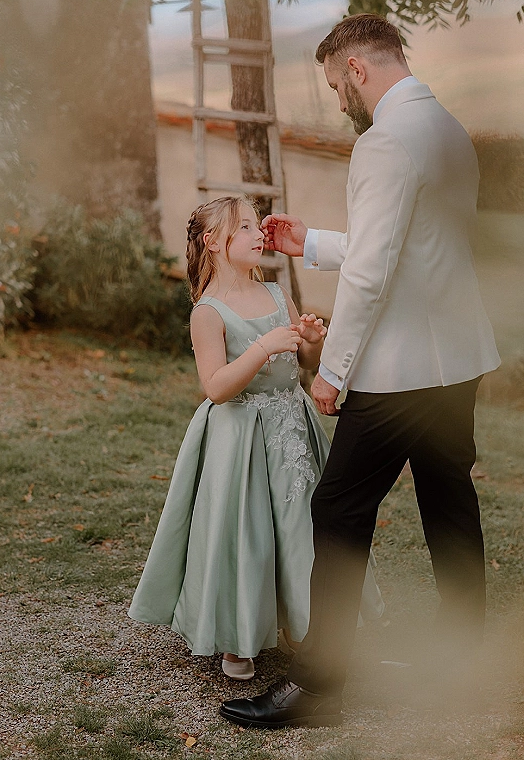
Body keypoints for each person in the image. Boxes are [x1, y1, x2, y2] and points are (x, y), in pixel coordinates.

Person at [219, 14, 500, 727]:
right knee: (449, 506)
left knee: (337, 510)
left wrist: (332, 370)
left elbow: (374, 272)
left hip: (402, 370)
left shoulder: (384, 142)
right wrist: (311, 241)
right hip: (457, 361)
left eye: (335, 85)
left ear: (356, 71)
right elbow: (413, 245)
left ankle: (319, 691)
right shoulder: (448, 131)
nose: (338, 101)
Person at [128, 195, 384, 682]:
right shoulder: (208, 312)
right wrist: (264, 346)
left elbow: (302, 368)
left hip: (291, 429)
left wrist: (309, 340)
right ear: (214, 243)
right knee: (246, 533)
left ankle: (304, 623)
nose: (258, 233)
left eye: (255, 225)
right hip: (240, 436)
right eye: (244, 227)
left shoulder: (274, 293)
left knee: (301, 526)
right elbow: (217, 387)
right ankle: (238, 634)